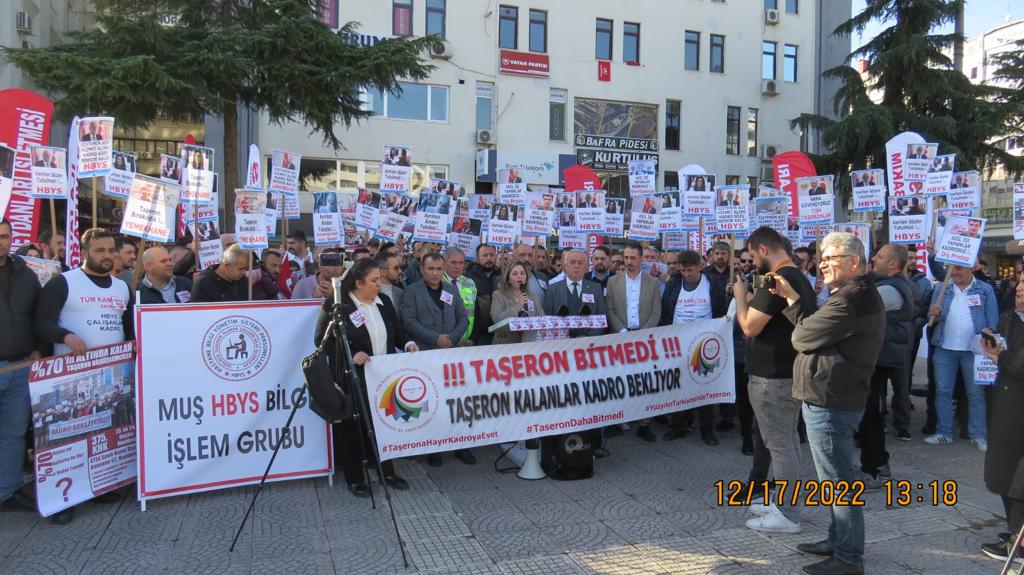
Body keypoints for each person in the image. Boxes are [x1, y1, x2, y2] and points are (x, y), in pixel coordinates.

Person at [769, 232, 885, 575]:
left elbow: (802, 337)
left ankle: (849, 558)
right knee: (834, 481)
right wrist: (794, 303)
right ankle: (838, 541)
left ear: (854, 261)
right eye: (822, 257)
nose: (823, 263)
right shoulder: (850, 294)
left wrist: (795, 309)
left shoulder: (852, 298)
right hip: (830, 397)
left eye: (831, 258)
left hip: (833, 401)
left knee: (839, 483)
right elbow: (810, 330)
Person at [730, 227, 817, 534]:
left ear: (764, 249)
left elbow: (749, 327)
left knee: (780, 445)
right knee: (788, 442)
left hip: (772, 378)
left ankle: (787, 514)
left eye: (752, 255)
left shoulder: (777, 279)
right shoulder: (797, 276)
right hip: (784, 374)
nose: (752, 262)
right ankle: (785, 502)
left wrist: (741, 297)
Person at [313, 259, 416, 497]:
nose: (379, 284)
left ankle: (386, 471)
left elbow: (398, 332)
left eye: (380, 279)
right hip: (352, 376)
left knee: (385, 422)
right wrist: (350, 353)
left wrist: (408, 343)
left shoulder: (384, 302)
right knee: (353, 426)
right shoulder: (337, 304)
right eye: (374, 280)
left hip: (383, 376)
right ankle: (355, 478)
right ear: (358, 282)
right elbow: (321, 341)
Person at [401, 253, 472, 466]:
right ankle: (434, 448)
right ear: (422, 269)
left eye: (438, 269)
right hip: (426, 354)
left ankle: (461, 446)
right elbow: (409, 322)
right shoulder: (411, 291)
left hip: (451, 353)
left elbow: (463, 317)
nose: (434, 273)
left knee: (457, 401)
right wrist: (435, 338)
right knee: (432, 403)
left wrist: (452, 338)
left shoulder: (451, 289)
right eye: (430, 268)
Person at [857, 245, 914, 491]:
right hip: (880, 356)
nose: (873, 259)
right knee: (869, 413)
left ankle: (874, 468)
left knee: (869, 414)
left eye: (879, 256)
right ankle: (876, 463)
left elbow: (855, 309)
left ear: (893, 264)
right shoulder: (888, 284)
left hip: (880, 357)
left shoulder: (890, 288)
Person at [925, 264, 998, 450]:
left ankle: (978, 435)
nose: (954, 273)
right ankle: (944, 432)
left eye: (958, 268)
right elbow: (931, 317)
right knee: (943, 391)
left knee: (975, 393)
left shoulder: (985, 289)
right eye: (951, 269)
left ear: (971, 268)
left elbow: (993, 319)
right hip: (944, 347)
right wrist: (934, 314)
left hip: (974, 350)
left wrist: (989, 331)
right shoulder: (942, 288)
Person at [661, 250, 727, 446]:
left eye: (690, 270)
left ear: (699, 266)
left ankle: (707, 430)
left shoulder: (713, 284)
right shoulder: (674, 282)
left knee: (704, 389)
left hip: (704, 344)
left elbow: (719, 311)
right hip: (678, 344)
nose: (686, 274)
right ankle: (677, 426)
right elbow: (666, 309)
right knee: (677, 387)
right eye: (683, 270)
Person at [0, 219, 44, 514]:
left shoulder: (26, 274)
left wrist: (38, 349)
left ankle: (7, 490)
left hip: (18, 367)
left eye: (4, 236)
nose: (0, 242)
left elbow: (37, 314)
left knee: (14, 433)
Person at [979, 283, 1024, 563]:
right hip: (1007, 405)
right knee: (1005, 474)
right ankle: (1014, 532)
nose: (1020, 292)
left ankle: (1019, 544)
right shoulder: (1009, 316)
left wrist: (1001, 356)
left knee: (1019, 481)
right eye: (1019, 287)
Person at [543, 249, 606, 337]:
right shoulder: (553, 289)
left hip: (589, 343)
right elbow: (547, 317)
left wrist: (588, 337)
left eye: (580, 263)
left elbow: (601, 316)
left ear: (585, 266)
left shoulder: (596, 288)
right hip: (561, 344)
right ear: (565, 265)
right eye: (572, 262)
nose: (576, 266)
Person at [490, 262, 546, 344]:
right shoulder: (498, 295)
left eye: (522, 273)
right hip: (506, 346)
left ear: (526, 278)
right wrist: (517, 306)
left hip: (529, 345)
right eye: (515, 274)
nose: (519, 276)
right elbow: (497, 319)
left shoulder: (534, 298)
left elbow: (542, 320)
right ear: (508, 279)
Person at [464, 244, 501, 345]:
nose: (489, 258)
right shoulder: (468, 277)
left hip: (500, 331)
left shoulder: (503, 275)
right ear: (477, 258)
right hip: (478, 334)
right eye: (484, 255)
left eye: (491, 255)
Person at [443, 248, 477, 345]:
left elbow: (476, 312)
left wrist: (473, 339)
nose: (457, 266)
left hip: (467, 341)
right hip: (446, 342)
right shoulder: (438, 283)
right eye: (453, 262)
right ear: (444, 263)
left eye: (461, 263)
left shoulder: (469, 283)